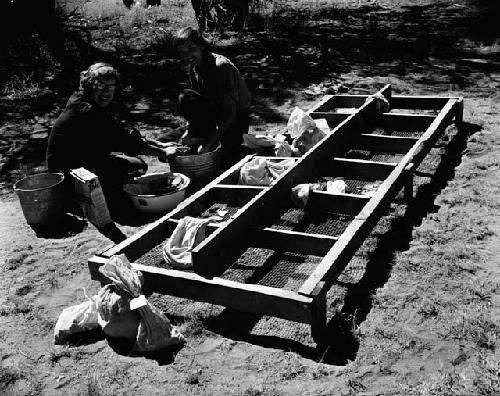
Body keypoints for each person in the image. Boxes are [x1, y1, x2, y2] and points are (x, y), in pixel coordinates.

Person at [46, 62, 171, 212]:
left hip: (74, 166)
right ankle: (94, 198)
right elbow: (128, 143)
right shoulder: (87, 111)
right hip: (71, 175)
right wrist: (164, 153)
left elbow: (121, 131)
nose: (106, 92)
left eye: (111, 87)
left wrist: (160, 144)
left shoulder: (81, 101)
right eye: (100, 85)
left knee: (134, 164)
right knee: (136, 167)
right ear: (90, 85)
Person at [173, 27, 251, 169]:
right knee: (185, 98)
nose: (188, 55)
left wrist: (210, 141)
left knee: (226, 161)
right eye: (183, 52)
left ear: (201, 46)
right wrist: (188, 131)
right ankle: (202, 136)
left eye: (191, 48)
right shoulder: (194, 67)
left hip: (235, 118)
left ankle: (218, 141)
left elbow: (230, 112)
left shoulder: (221, 67)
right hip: (214, 113)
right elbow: (196, 105)